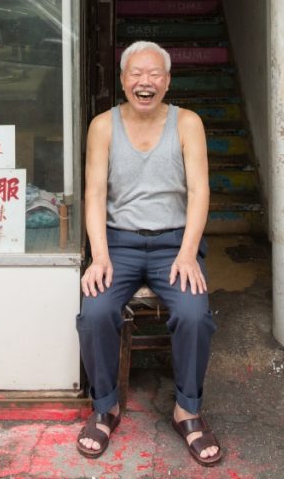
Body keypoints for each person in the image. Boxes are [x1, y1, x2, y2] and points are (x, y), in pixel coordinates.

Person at [76, 40, 222, 467]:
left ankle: (188, 410)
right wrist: (99, 256)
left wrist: (188, 253)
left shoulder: (187, 123)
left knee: (195, 313)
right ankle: (106, 407)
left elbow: (199, 191)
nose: (145, 81)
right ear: (123, 81)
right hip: (118, 242)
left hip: (174, 245)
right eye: (136, 74)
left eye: (154, 74)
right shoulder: (103, 125)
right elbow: (95, 194)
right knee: (96, 311)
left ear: (168, 81)